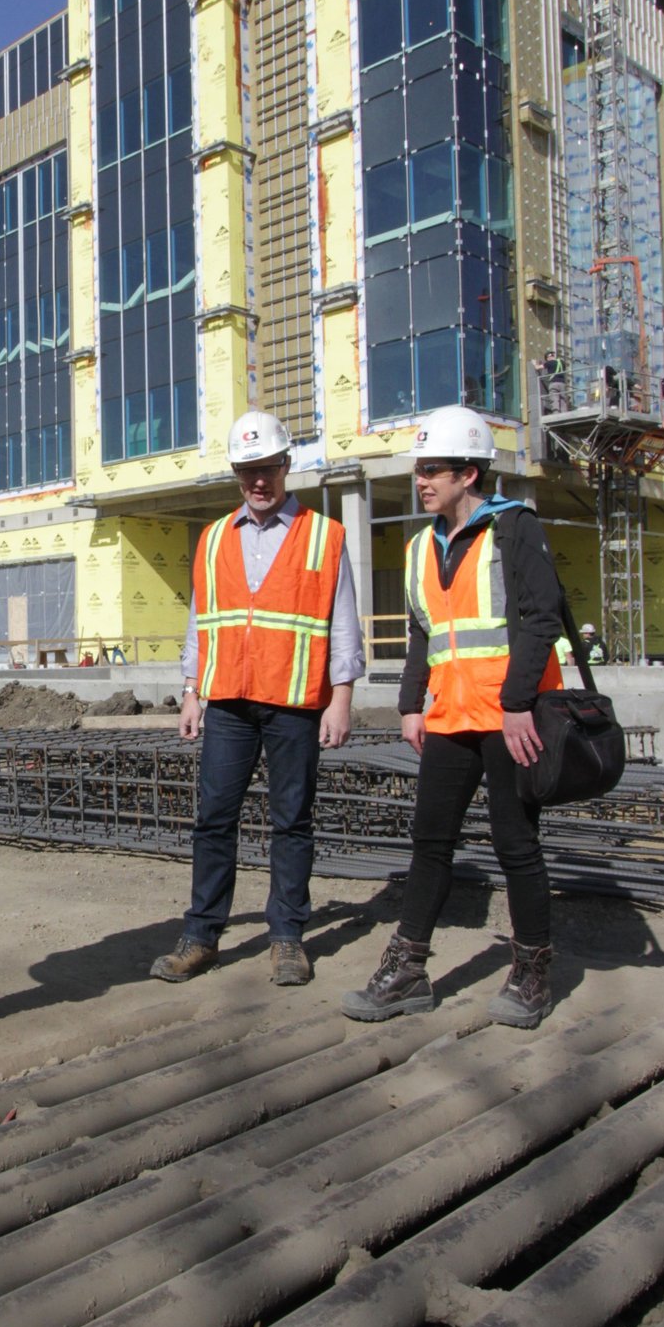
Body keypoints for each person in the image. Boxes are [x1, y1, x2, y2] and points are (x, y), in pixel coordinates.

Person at [344, 406, 566, 1031]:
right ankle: (408, 970)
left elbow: (542, 617)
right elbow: (424, 634)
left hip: (507, 717)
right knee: (430, 842)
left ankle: (532, 972)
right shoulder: (421, 547)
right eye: (418, 469)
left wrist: (520, 705)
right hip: (447, 717)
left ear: (469, 473)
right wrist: (410, 704)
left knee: (515, 843)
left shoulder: (514, 528)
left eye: (432, 470)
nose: (421, 480)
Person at [150, 411, 364, 988]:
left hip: (294, 701)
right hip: (227, 703)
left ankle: (287, 938)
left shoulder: (324, 535)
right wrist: (191, 692)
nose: (258, 483)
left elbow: (342, 621)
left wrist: (341, 697)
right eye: (247, 473)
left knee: (291, 820)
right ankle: (200, 936)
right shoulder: (216, 537)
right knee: (213, 819)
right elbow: (201, 621)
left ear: (286, 465)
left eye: (267, 469)